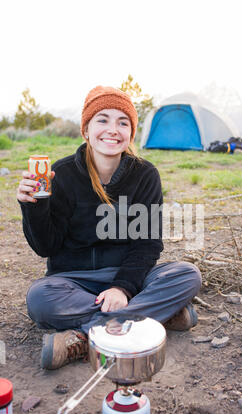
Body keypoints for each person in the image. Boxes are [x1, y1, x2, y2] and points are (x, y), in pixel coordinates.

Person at [17, 86, 202, 370]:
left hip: (128, 277)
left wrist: (122, 288)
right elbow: (46, 247)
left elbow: (147, 244)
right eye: (102, 120)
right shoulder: (63, 174)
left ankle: (83, 336)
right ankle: (156, 315)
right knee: (39, 298)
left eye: (122, 122)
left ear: (131, 132)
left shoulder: (145, 175)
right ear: (86, 130)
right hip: (73, 282)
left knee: (186, 275)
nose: (112, 130)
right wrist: (32, 206)